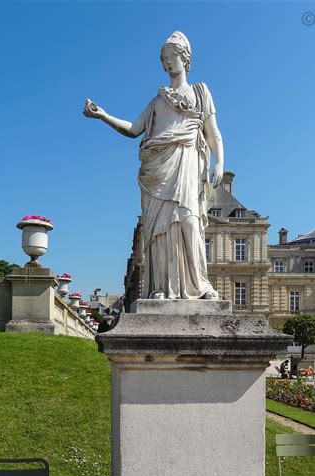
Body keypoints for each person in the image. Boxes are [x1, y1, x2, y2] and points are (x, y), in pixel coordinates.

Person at [83, 31, 223, 300]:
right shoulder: (158, 101)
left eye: (172, 57)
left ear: (185, 58)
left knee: (189, 223)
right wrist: (103, 116)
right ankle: (161, 287)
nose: (168, 63)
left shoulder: (201, 92)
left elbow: (213, 132)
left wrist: (220, 161)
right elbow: (134, 129)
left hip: (186, 161)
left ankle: (200, 286)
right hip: (157, 171)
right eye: (164, 60)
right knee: (159, 231)